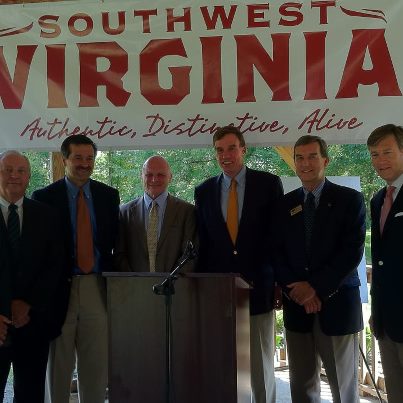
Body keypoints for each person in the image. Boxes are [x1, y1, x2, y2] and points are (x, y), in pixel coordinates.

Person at [194, 126, 283, 403]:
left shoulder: (268, 184)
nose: (225, 155)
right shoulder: (204, 190)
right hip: (218, 294)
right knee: (224, 366)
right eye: (219, 150)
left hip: (259, 289)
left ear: (244, 149)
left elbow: (278, 238)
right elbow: (204, 245)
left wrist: (279, 282)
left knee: (259, 366)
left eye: (231, 148)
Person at [276, 135, 365, 403]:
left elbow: (351, 252)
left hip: (337, 305)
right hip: (297, 308)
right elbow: (276, 253)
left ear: (325, 160)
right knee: (302, 388)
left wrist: (314, 288)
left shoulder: (350, 200)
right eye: (299, 158)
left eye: (312, 156)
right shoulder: (284, 204)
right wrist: (299, 292)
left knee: (343, 389)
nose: (306, 163)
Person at [32, 135, 120, 403]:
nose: (84, 164)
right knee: (58, 365)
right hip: (59, 290)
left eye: (89, 158)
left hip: (96, 286)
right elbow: (39, 252)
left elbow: (113, 244)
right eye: (78, 158)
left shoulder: (108, 196)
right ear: (64, 159)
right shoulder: (44, 197)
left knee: (96, 367)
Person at [0, 151, 62, 403]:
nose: (14, 175)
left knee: (30, 395)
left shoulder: (46, 215)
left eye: (21, 171)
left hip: (32, 323)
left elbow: (54, 266)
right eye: (7, 169)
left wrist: (28, 304)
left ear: (28, 176)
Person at [367, 124, 403, 403]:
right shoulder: (378, 199)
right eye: (375, 154)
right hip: (386, 322)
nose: (381, 160)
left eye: (387, 152)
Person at [115, 155, 197, 273]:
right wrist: (134, 281)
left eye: (161, 175)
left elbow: (190, 256)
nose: (154, 179)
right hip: (134, 287)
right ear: (141, 177)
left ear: (170, 177)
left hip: (175, 288)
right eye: (149, 175)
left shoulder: (187, 212)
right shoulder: (124, 212)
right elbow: (119, 254)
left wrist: (169, 283)